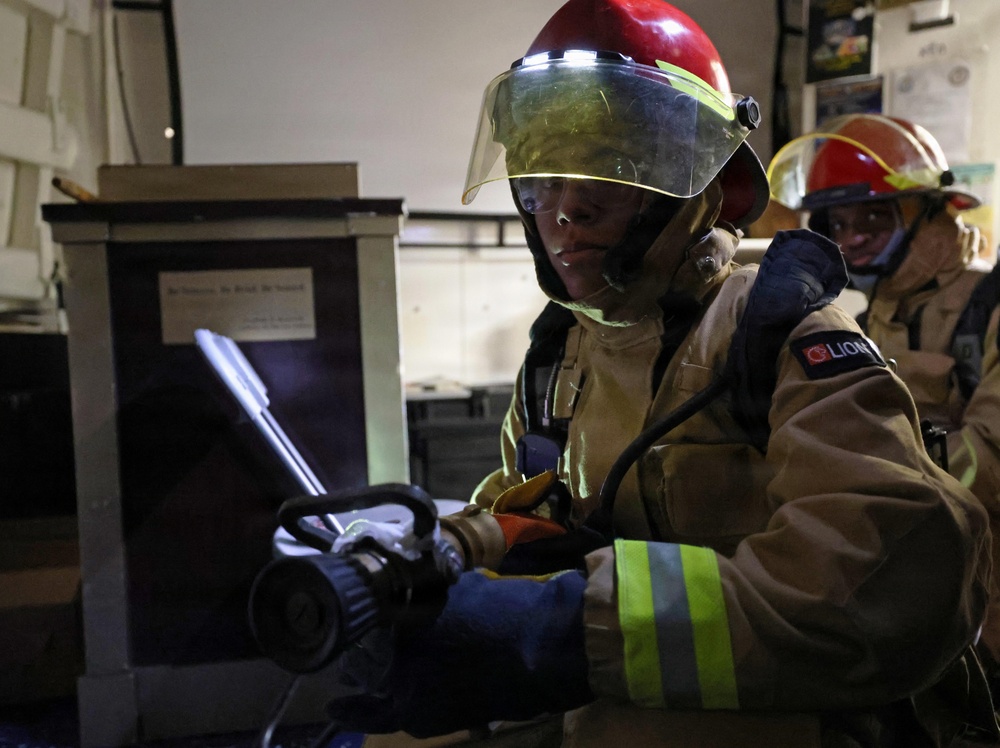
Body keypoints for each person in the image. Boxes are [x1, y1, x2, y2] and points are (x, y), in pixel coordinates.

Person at [325, 2, 993, 746]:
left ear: (693, 183)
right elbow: (538, 513)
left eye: (608, 178)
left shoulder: (779, 333)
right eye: (542, 180)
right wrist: (433, 562)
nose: (564, 214)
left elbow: (873, 591)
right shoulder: (558, 354)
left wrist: (568, 632)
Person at [768, 113, 1000, 683]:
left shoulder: (992, 303)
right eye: (838, 222)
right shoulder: (868, 320)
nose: (852, 238)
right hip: (912, 591)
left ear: (931, 210)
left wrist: (871, 465)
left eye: (874, 215)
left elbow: (992, 461)